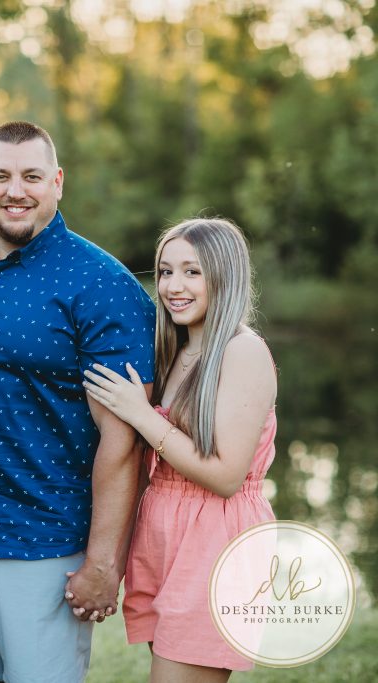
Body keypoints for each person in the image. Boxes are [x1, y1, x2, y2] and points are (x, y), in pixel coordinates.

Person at [0, 121, 157, 683]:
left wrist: (103, 562)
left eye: (32, 176)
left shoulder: (103, 284)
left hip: (46, 545)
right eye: (1, 176)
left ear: (57, 182)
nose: (15, 190)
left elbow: (123, 441)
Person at [82, 218, 277, 681]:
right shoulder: (176, 349)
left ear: (224, 276)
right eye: (166, 271)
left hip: (215, 538)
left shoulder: (242, 352)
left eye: (192, 272)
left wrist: (142, 415)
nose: (174, 286)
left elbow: (227, 475)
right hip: (165, 531)